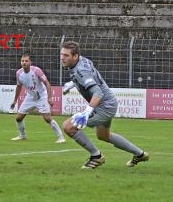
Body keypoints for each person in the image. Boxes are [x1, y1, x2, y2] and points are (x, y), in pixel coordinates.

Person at [60, 41, 149, 169]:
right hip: (109, 103)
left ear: (75, 56)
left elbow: (98, 93)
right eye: (61, 54)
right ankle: (140, 154)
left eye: (66, 55)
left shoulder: (81, 71)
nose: (62, 58)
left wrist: (86, 113)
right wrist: (73, 83)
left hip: (104, 105)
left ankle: (96, 156)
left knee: (69, 126)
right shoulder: (82, 61)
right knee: (103, 136)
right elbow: (90, 76)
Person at [10, 54, 65, 143]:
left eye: (26, 61)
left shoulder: (36, 71)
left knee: (47, 118)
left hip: (41, 97)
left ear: (30, 62)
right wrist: (15, 100)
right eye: (22, 61)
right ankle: (22, 135)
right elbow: (19, 87)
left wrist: (49, 97)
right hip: (30, 97)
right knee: (18, 118)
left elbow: (47, 83)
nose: (24, 63)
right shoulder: (19, 73)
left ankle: (61, 137)